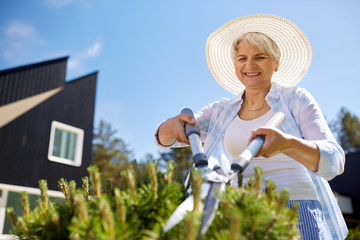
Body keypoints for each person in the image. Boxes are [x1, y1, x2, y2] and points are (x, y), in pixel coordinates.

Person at [154, 14, 348, 239]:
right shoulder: (221, 110)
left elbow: (335, 161)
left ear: (276, 62)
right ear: (235, 63)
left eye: (260, 57)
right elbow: (170, 139)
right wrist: (169, 128)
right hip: (240, 212)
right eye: (241, 58)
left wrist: (287, 144)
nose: (249, 65)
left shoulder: (296, 99)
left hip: (297, 212)